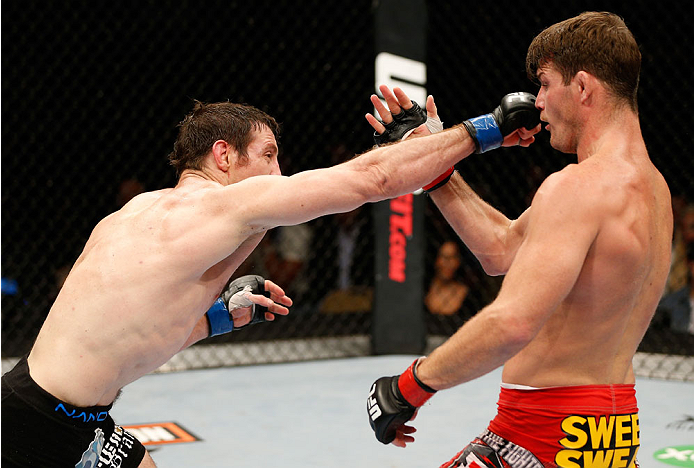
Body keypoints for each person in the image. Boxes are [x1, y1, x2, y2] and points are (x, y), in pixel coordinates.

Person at [0, 93, 539, 468]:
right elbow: (369, 179)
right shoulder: (221, 207)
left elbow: (129, 335)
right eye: (269, 156)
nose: (280, 175)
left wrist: (218, 318)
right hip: (39, 428)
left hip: (48, 407)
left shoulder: (140, 212)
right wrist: (485, 128)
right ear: (223, 155)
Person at [366, 12, 672, 468]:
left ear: (583, 87)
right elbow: (502, 249)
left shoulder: (577, 187)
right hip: (611, 440)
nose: (538, 102)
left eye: (546, 84)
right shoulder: (655, 191)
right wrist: (435, 166)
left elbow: (512, 323)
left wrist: (409, 386)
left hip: (539, 436)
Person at [425, 240, 469, 316]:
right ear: (436, 260)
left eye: (453, 257)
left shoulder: (466, 293)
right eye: (444, 257)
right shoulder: (423, 288)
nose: (448, 263)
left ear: (458, 262)